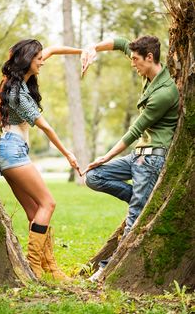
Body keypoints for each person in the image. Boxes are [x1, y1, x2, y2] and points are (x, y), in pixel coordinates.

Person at [81, 35, 179, 281]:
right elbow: (123, 43)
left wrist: (106, 155)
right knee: (94, 177)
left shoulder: (165, 93)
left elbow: (135, 130)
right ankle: (142, 202)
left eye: (136, 60)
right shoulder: (147, 71)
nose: (132, 63)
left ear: (149, 57)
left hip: (152, 158)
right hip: (137, 156)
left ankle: (108, 269)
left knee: (133, 219)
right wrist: (93, 47)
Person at [0, 39, 82, 281]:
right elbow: (46, 127)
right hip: (13, 152)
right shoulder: (17, 94)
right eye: (38, 58)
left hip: (11, 152)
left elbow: (53, 49)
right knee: (48, 204)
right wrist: (68, 154)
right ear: (27, 60)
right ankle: (34, 267)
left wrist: (84, 50)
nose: (42, 61)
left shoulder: (19, 84)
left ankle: (50, 268)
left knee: (35, 212)